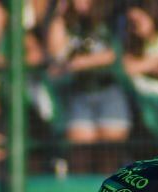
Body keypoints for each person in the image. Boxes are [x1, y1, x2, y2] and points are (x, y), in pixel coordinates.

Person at [46, 0, 131, 175]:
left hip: (109, 91)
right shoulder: (67, 22)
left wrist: (76, 63)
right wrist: (58, 15)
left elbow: (116, 54)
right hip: (79, 93)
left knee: (109, 156)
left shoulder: (111, 16)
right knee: (79, 157)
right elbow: (55, 54)